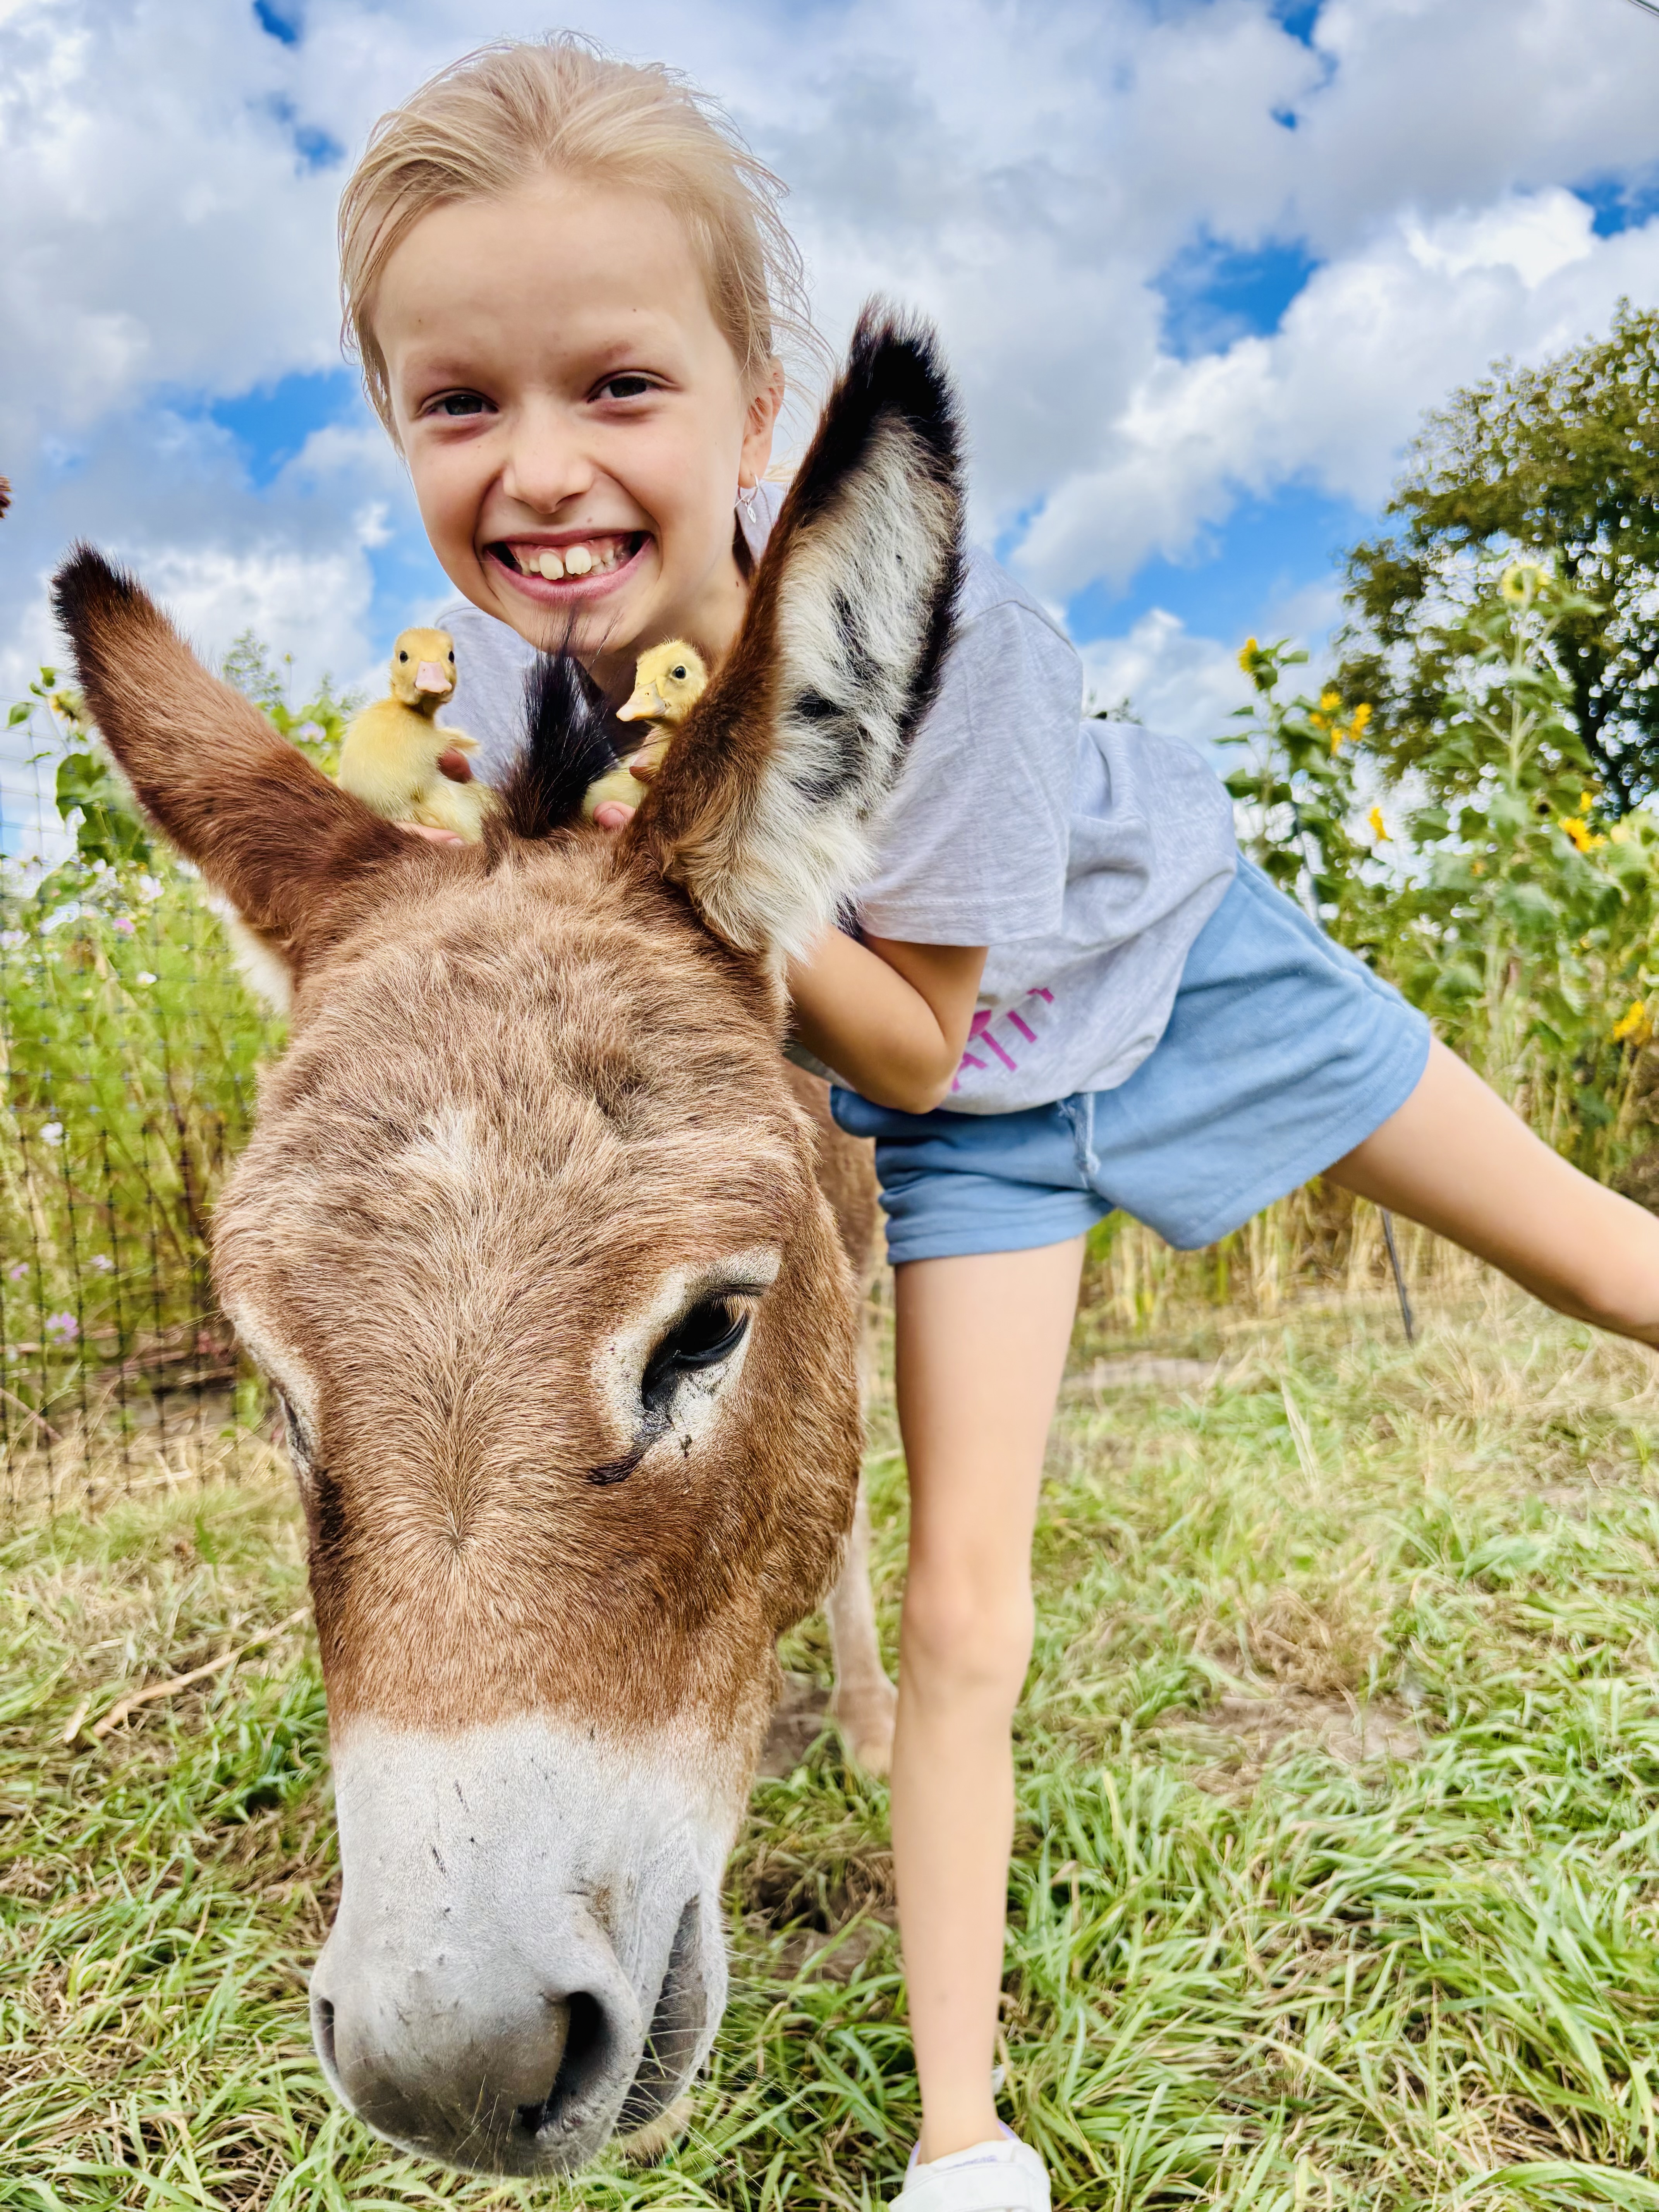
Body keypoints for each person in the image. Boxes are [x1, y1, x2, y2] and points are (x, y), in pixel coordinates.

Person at [336, 38, 1659, 2211]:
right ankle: (965, 2139)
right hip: (977, 1141)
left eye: (621, 386)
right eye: (459, 403)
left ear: (758, 412)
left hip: (1171, 976)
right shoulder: (506, 692)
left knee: (1604, 1259)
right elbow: (830, 1071)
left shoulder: (955, 655)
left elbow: (926, 1030)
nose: (544, 467)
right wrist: (435, 824)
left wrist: (704, 839)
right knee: (965, 1618)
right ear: (398, 427)